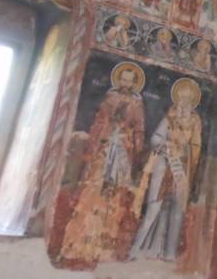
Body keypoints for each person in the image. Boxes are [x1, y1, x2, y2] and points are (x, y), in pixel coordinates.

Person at [60, 62, 146, 263]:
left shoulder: (137, 105)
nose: (125, 83)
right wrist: (100, 138)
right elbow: (99, 122)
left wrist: (132, 142)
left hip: (122, 152)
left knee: (114, 195)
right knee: (94, 190)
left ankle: (104, 245)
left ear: (134, 84)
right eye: (122, 79)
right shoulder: (110, 99)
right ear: (118, 80)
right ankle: (80, 242)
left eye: (129, 81)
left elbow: (139, 130)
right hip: (104, 149)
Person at [131, 78, 202, 261]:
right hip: (164, 165)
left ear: (192, 102)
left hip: (181, 169)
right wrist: (166, 145)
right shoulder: (169, 118)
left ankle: (169, 253)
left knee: (177, 210)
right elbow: (155, 138)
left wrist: (186, 151)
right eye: (181, 98)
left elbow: (196, 145)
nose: (184, 102)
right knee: (154, 206)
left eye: (187, 99)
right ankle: (138, 249)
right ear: (177, 99)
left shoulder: (195, 121)